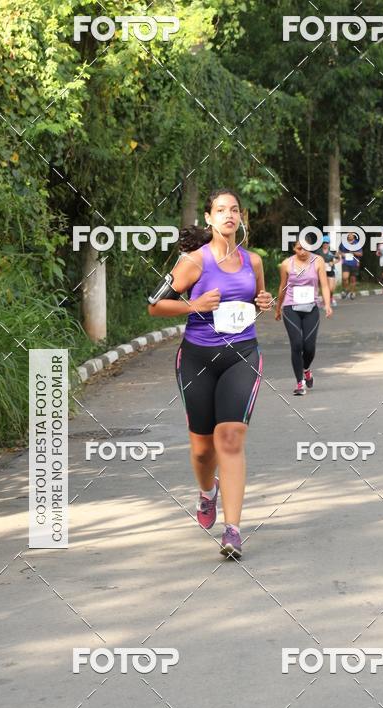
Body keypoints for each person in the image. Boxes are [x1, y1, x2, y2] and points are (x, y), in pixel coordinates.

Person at [147, 188, 273, 559]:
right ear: (209, 218)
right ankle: (207, 492)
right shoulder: (193, 262)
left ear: (241, 218)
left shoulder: (254, 262)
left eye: (235, 210)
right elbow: (155, 305)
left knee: (230, 439)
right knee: (203, 450)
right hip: (197, 358)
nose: (229, 215)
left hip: (243, 355)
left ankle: (232, 530)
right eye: (221, 210)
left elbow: (257, 304)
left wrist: (263, 302)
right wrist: (193, 304)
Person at [275, 239, 333, 395]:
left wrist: (327, 304)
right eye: (299, 248)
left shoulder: (318, 260)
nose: (303, 251)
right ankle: (299, 383)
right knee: (296, 344)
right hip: (290, 307)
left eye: (306, 248)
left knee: (309, 346)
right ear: (294, 248)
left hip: (311, 307)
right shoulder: (286, 264)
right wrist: (278, 307)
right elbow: (282, 287)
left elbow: (324, 285)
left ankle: (306, 368)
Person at [339, 232, 363, 299]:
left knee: (353, 279)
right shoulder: (343, 243)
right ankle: (346, 290)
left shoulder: (357, 243)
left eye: (351, 234)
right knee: (345, 277)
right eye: (348, 234)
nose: (349, 236)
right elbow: (339, 251)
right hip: (345, 262)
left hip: (354, 263)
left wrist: (353, 252)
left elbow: (361, 254)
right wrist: (342, 254)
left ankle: (352, 292)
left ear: (353, 236)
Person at [319, 235, 338, 306]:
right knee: (323, 287)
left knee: (331, 288)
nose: (325, 244)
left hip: (330, 271)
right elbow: (313, 259)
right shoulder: (319, 251)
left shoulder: (332, 251)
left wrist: (332, 262)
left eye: (327, 243)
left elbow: (339, 258)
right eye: (324, 242)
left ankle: (331, 297)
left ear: (329, 243)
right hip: (322, 271)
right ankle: (324, 301)